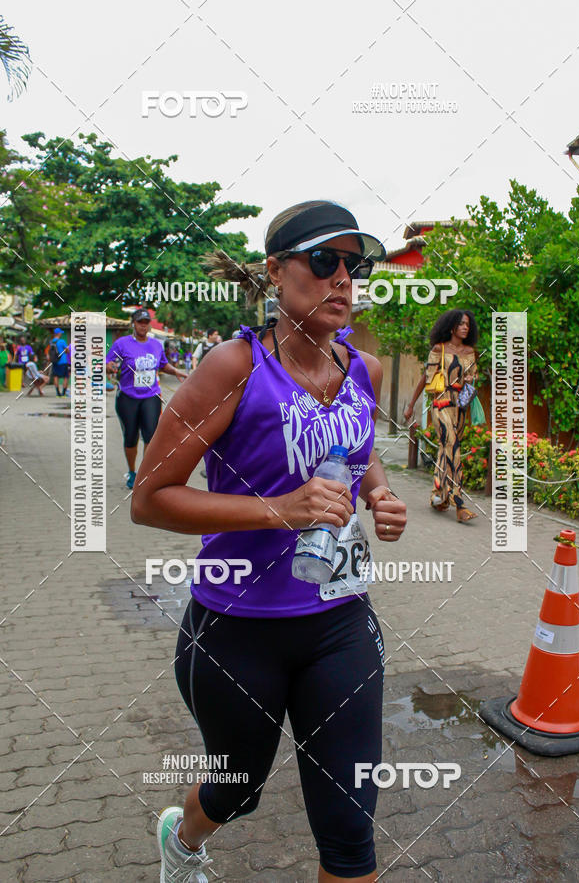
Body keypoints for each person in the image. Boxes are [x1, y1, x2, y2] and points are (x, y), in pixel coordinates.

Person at [131, 200, 408, 883]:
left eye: (355, 265)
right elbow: (149, 498)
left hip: (341, 623)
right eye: (323, 261)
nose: (343, 278)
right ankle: (184, 839)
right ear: (276, 273)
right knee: (239, 787)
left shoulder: (364, 370)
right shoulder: (237, 367)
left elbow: (358, 447)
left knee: (350, 830)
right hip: (236, 629)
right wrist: (278, 510)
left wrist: (377, 493)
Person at [404, 309, 479, 523]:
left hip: (461, 407)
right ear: (452, 326)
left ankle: (439, 496)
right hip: (441, 405)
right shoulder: (440, 348)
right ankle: (459, 503)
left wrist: (470, 378)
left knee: (446, 449)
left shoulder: (470, 351)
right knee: (452, 447)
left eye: (468, 324)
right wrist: (411, 405)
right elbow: (425, 377)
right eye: (462, 324)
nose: (466, 327)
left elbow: (472, 380)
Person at [106, 308, 188, 489]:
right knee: (130, 436)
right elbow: (107, 363)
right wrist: (110, 368)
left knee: (150, 435)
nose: (143, 326)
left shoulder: (156, 345)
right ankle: (132, 471)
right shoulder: (122, 344)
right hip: (128, 397)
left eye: (146, 322)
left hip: (151, 396)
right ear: (133, 324)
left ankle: (145, 473)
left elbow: (163, 365)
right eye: (139, 322)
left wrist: (176, 372)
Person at [49, 327, 69, 397]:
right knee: (66, 377)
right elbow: (67, 350)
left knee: (55, 377)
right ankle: (63, 393)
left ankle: (58, 393)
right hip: (63, 361)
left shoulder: (51, 342)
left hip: (55, 361)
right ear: (59, 333)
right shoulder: (62, 341)